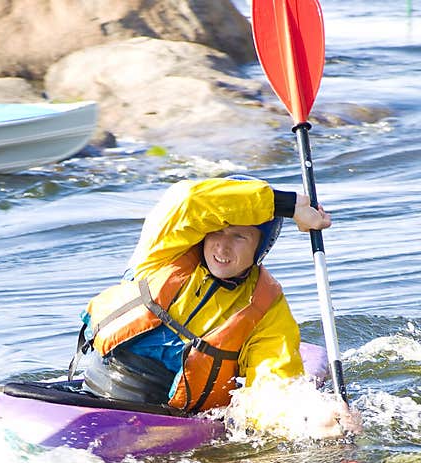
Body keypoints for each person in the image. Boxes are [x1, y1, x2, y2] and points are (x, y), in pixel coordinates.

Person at [68, 175, 359, 437]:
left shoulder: (267, 308)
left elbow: (272, 386)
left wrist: (309, 420)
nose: (222, 246)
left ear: (261, 246)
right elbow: (190, 200)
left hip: (166, 416)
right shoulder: (163, 251)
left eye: (239, 236)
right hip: (96, 388)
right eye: (218, 231)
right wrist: (289, 205)